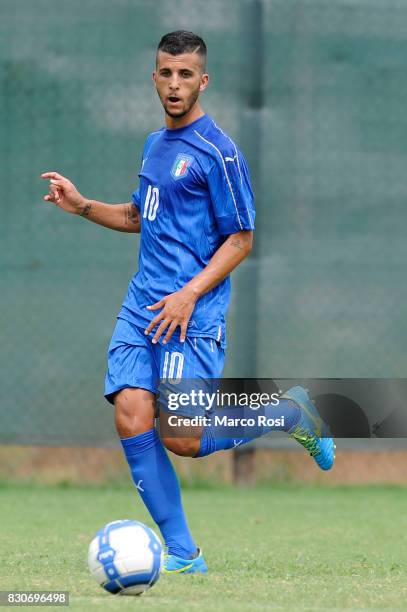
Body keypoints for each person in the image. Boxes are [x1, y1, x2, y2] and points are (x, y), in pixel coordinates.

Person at [41, 30, 334, 575]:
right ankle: (183, 553)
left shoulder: (219, 152)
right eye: (165, 72)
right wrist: (82, 206)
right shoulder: (155, 145)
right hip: (142, 308)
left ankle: (289, 411)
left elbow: (241, 238)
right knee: (132, 415)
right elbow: (138, 217)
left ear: (203, 80)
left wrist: (189, 293)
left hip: (191, 315)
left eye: (185, 74)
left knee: (181, 435)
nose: (174, 84)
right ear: (154, 77)